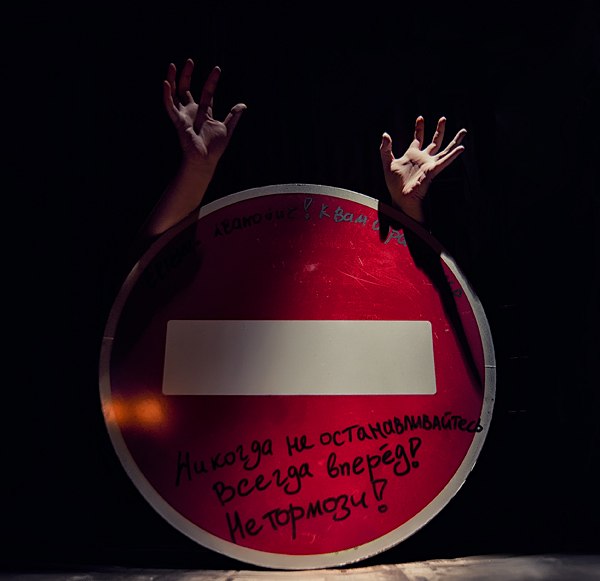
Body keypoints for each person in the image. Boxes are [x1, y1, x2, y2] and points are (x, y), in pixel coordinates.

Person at [139, 58, 467, 243]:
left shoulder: (385, 109)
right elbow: (152, 260)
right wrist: (197, 170)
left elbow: (414, 281)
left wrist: (406, 211)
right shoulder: (244, 121)